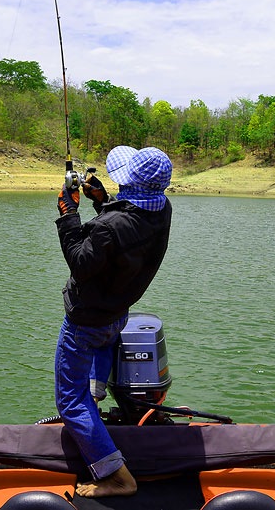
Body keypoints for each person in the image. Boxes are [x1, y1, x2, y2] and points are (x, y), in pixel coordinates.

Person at [54, 145, 173, 498]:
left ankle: (116, 475)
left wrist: (67, 214)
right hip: (116, 313)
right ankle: (95, 398)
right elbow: (124, 232)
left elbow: (81, 261)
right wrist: (101, 201)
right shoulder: (161, 209)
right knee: (98, 362)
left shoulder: (110, 226)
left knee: (69, 400)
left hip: (87, 320)